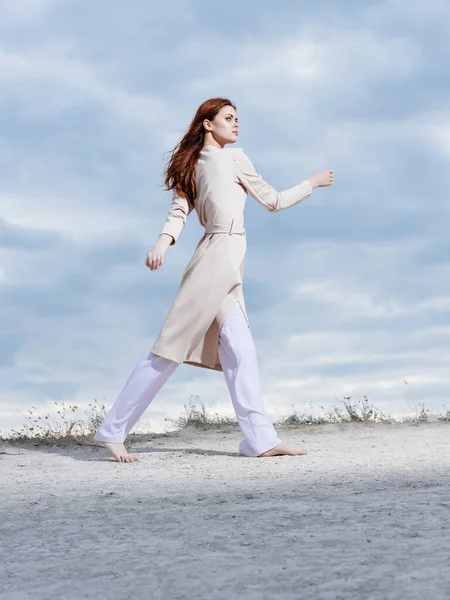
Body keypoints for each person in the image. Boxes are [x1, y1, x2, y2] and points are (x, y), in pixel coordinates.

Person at [94, 97, 334, 462]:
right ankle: (113, 430)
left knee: (242, 350)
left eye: (237, 118)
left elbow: (271, 199)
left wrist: (308, 185)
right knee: (169, 349)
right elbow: (181, 211)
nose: (236, 123)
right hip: (211, 260)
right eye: (228, 117)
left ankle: (259, 440)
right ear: (208, 123)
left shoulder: (236, 158)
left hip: (231, 262)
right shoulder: (198, 164)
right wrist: (162, 242)